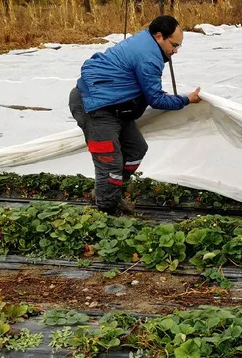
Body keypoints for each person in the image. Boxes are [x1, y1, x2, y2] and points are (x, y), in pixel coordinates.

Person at [68, 15, 201, 216]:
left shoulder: (147, 43)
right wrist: (186, 100)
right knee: (110, 163)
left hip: (117, 106)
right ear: (158, 36)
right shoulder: (148, 57)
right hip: (95, 108)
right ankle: (105, 214)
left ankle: (108, 192)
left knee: (136, 149)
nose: (175, 51)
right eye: (174, 45)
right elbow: (156, 99)